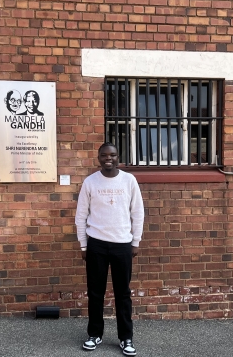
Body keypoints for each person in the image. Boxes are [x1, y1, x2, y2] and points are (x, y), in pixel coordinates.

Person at [75, 142, 145, 356]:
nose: (108, 158)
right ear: (98, 158)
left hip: (122, 244)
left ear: (118, 157)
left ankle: (126, 338)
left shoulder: (129, 180)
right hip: (96, 243)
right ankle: (94, 334)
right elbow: (80, 216)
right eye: (104, 155)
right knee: (96, 293)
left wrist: (136, 242)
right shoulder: (90, 182)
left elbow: (138, 213)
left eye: (112, 155)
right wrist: (83, 245)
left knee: (123, 293)